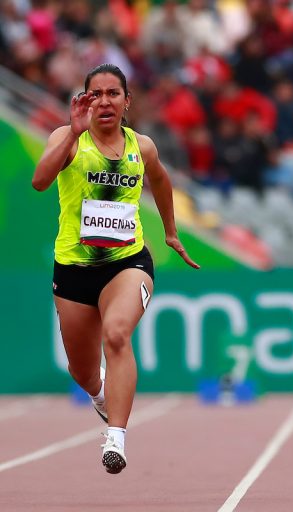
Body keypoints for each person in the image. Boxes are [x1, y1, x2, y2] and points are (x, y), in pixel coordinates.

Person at [32, 63, 199, 474]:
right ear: (85, 101)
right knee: (83, 371)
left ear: (127, 102)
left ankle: (117, 438)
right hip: (73, 269)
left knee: (118, 333)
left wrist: (171, 231)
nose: (104, 101)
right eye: (96, 94)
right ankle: (101, 394)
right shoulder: (68, 139)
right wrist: (72, 131)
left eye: (113, 94)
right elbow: (39, 181)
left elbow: (160, 181)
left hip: (128, 261)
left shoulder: (141, 147)